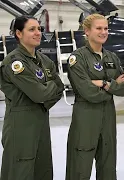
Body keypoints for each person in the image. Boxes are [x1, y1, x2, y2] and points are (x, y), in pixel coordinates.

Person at [0, 15, 64, 180]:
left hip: (41, 121)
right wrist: (45, 90)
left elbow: (60, 87)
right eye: (32, 29)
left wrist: (43, 92)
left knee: (42, 170)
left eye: (39, 29)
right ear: (19, 33)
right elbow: (40, 94)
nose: (38, 33)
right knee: (20, 172)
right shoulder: (14, 63)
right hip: (21, 126)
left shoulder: (43, 60)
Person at [65, 14, 124, 180]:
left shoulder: (112, 57)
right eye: (99, 28)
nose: (103, 32)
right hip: (86, 118)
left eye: (106, 28)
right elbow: (88, 92)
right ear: (87, 31)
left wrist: (104, 83)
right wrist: (112, 86)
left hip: (107, 118)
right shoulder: (77, 58)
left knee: (108, 167)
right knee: (79, 168)